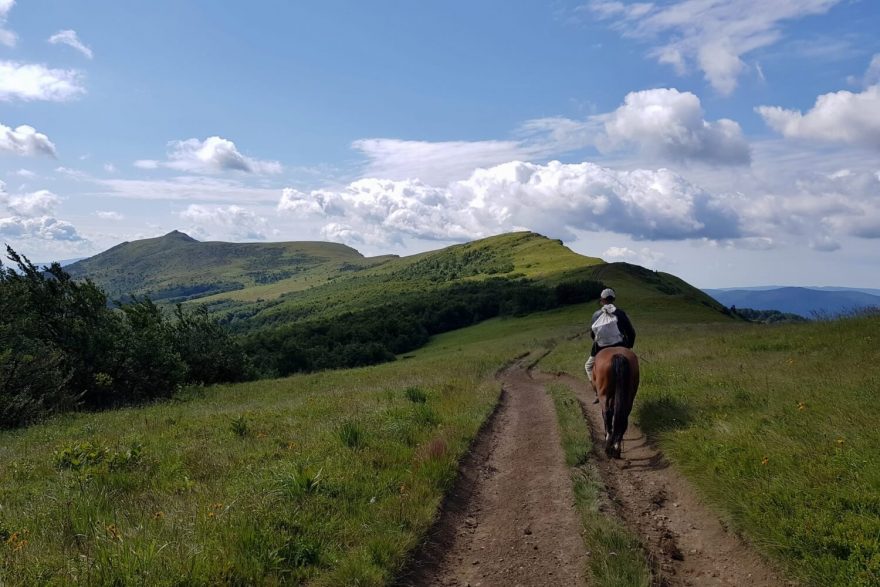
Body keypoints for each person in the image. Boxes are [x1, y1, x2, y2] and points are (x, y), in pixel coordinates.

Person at [585, 288, 636, 403]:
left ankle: (597, 391)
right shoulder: (621, 313)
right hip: (621, 346)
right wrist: (628, 346)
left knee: (588, 366)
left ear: (601, 300)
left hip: (600, 348)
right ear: (613, 299)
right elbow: (631, 333)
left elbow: (593, 335)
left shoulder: (596, 315)